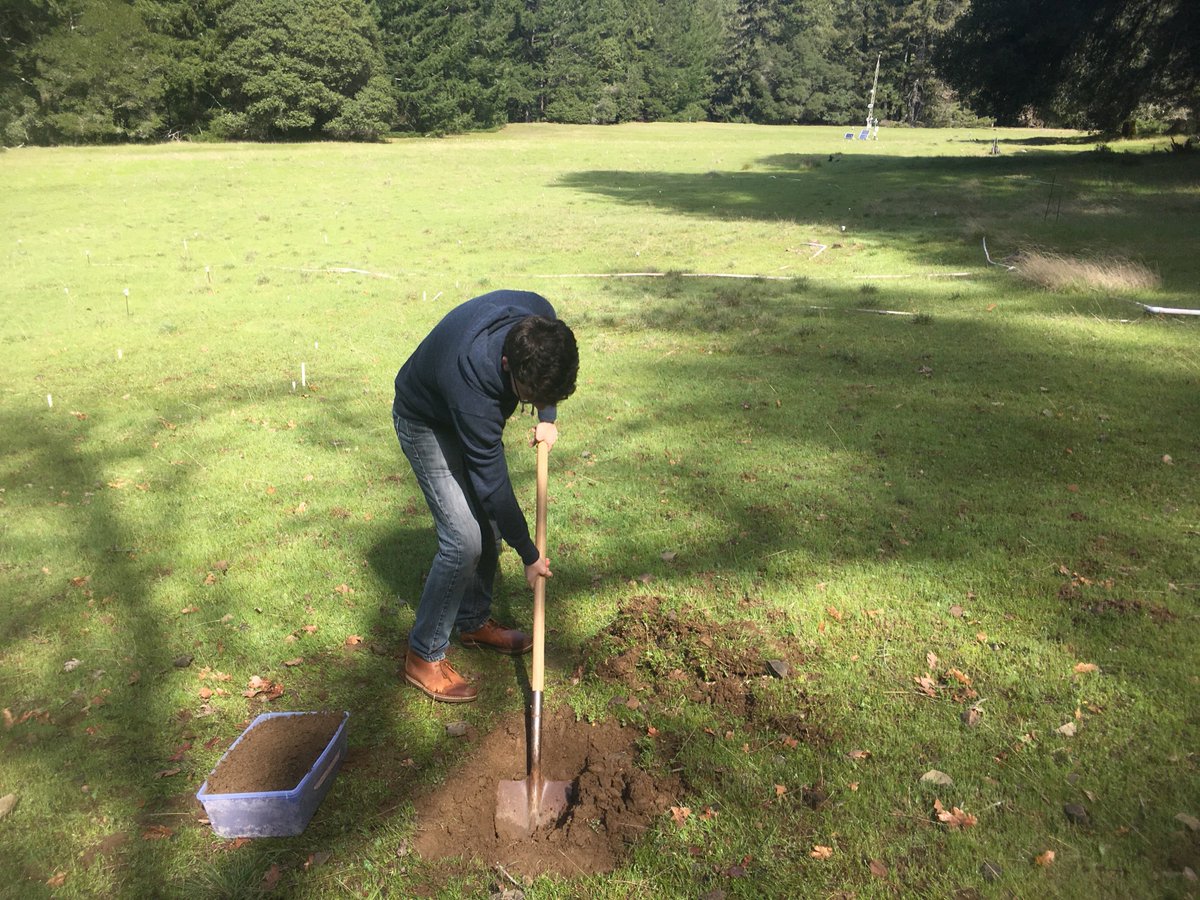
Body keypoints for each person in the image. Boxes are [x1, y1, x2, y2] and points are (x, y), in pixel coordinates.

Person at [392, 290, 579, 702]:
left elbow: (550, 374)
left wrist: (547, 417)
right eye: (532, 397)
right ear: (509, 366)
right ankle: (423, 655)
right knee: (465, 539)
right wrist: (529, 555)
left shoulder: (540, 320)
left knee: (488, 522)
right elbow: (492, 484)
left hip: (456, 402)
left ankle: (473, 621)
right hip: (425, 418)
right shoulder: (474, 387)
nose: (536, 403)